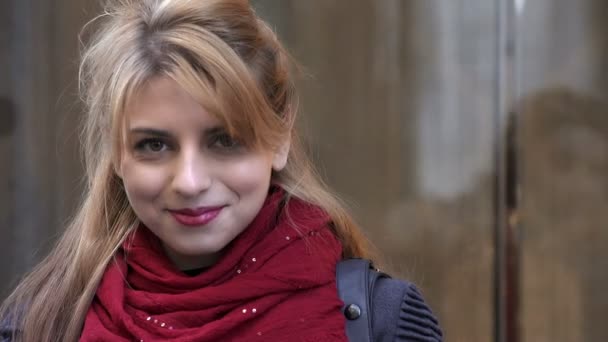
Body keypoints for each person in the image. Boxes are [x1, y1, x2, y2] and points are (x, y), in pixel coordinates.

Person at [0, 0, 442, 341]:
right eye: (154, 144)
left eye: (225, 140)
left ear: (280, 136)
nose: (190, 182)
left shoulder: (384, 323)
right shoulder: (38, 323)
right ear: (116, 153)